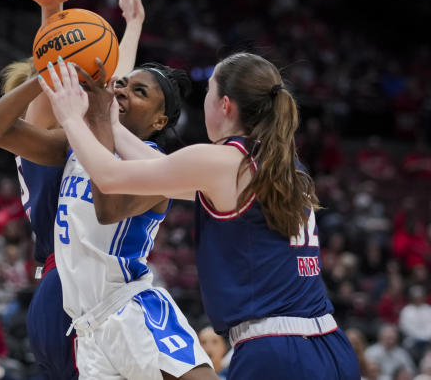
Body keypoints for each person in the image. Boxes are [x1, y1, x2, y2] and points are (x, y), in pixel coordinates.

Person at [39, 52, 360, 379]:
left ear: (224, 104)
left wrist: (72, 118)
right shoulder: (286, 165)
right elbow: (157, 171)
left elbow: (109, 176)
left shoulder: (221, 162)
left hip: (276, 353)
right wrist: (111, 122)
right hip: (331, 345)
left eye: (207, 91)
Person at [0, 0, 215, 380]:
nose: (118, 90)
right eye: (119, 86)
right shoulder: (75, 141)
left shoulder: (158, 165)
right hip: (78, 312)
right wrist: (48, 67)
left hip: (124, 302)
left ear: (160, 120)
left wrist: (128, 30)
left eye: (136, 92)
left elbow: (108, 198)